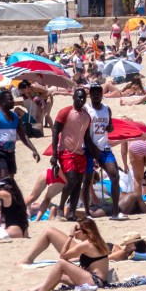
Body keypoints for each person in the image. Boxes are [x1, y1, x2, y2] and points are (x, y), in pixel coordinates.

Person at [26, 218, 111, 291]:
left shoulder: (86, 244)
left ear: (85, 231)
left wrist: (70, 236)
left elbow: (63, 256)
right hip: (98, 280)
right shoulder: (97, 241)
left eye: (76, 229)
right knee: (60, 276)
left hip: (94, 281)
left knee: (61, 264)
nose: (74, 231)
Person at [51, 88, 97, 221]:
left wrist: (94, 155)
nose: (81, 100)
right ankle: (60, 207)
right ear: (74, 98)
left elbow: (87, 138)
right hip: (65, 151)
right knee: (71, 180)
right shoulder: (65, 112)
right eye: (79, 97)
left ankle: (71, 213)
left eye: (83, 98)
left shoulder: (86, 116)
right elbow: (55, 132)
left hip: (80, 153)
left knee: (78, 184)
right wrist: (54, 154)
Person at [82, 84, 121, 218]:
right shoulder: (86, 109)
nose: (97, 95)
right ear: (90, 95)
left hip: (104, 147)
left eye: (99, 92)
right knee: (87, 182)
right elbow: (85, 134)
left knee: (115, 176)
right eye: (94, 93)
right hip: (88, 148)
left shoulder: (107, 109)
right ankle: (87, 213)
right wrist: (93, 153)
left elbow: (109, 126)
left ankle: (116, 212)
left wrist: (110, 128)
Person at [0, 89, 41, 180]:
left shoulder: (15, 117)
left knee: (10, 182)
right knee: (5, 182)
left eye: (12, 99)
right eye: (10, 100)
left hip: (11, 153)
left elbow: (23, 136)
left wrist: (34, 150)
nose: (13, 101)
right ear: (3, 102)